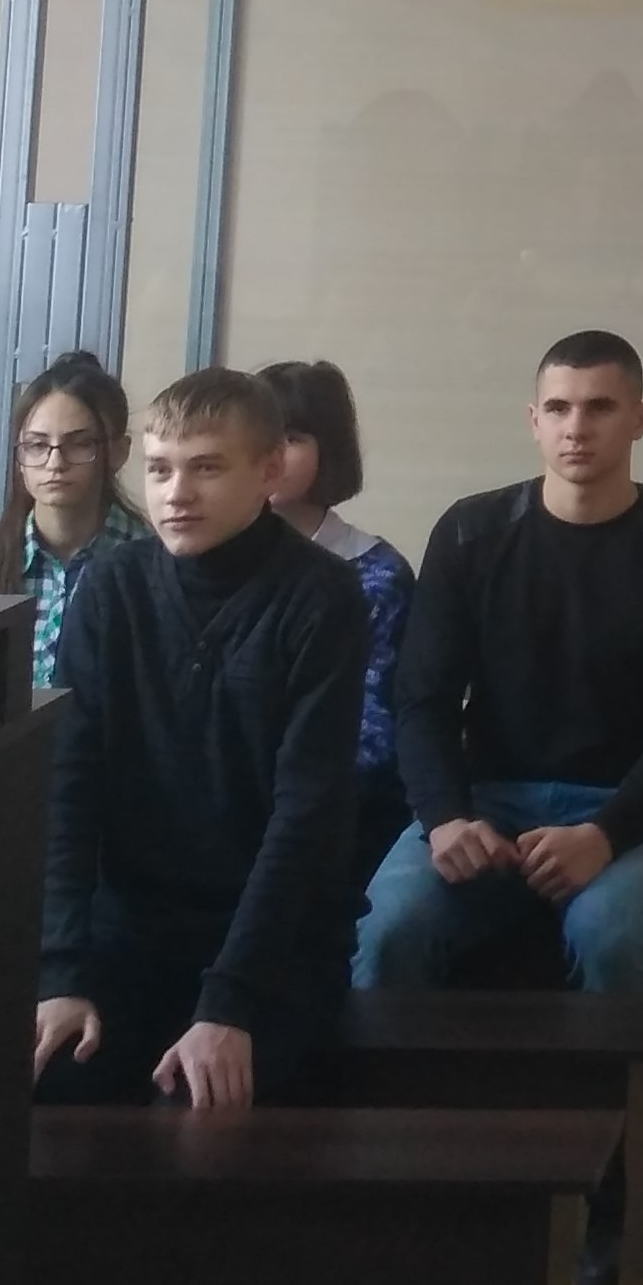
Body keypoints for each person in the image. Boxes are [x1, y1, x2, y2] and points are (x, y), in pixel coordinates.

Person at [33, 366, 370, 1285]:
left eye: (207, 469)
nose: (176, 492)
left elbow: (306, 817)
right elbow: (72, 785)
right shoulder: (112, 589)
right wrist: (62, 971)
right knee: (59, 1089)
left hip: (271, 945)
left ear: (270, 473)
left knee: (218, 1122)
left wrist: (230, 1004)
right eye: (161, 468)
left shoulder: (320, 596)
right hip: (132, 931)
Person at [356, 332, 643, 999]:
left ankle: (626, 1075)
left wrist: (605, 835)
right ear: (534, 420)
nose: (576, 427)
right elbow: (423, 700)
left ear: (640, 418)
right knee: (389, 929)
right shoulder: (469, 533)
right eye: (558, 408)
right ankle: (401, 1075)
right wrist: (444, 817)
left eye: (600, 407)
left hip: (622, 808)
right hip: (486, 801)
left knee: (610, 937)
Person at [256, 357, 415, 905]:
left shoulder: (377, 574)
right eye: (261, 438)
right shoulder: (210, 563)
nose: (272, 455)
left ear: (330, 449)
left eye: (292, 438)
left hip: (338, 820)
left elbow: (376, 732)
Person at [0, 352, 138, 691]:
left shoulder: (151, 563)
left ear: (119, 451)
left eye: (79, 444)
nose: (55, 462)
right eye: (37, 445)